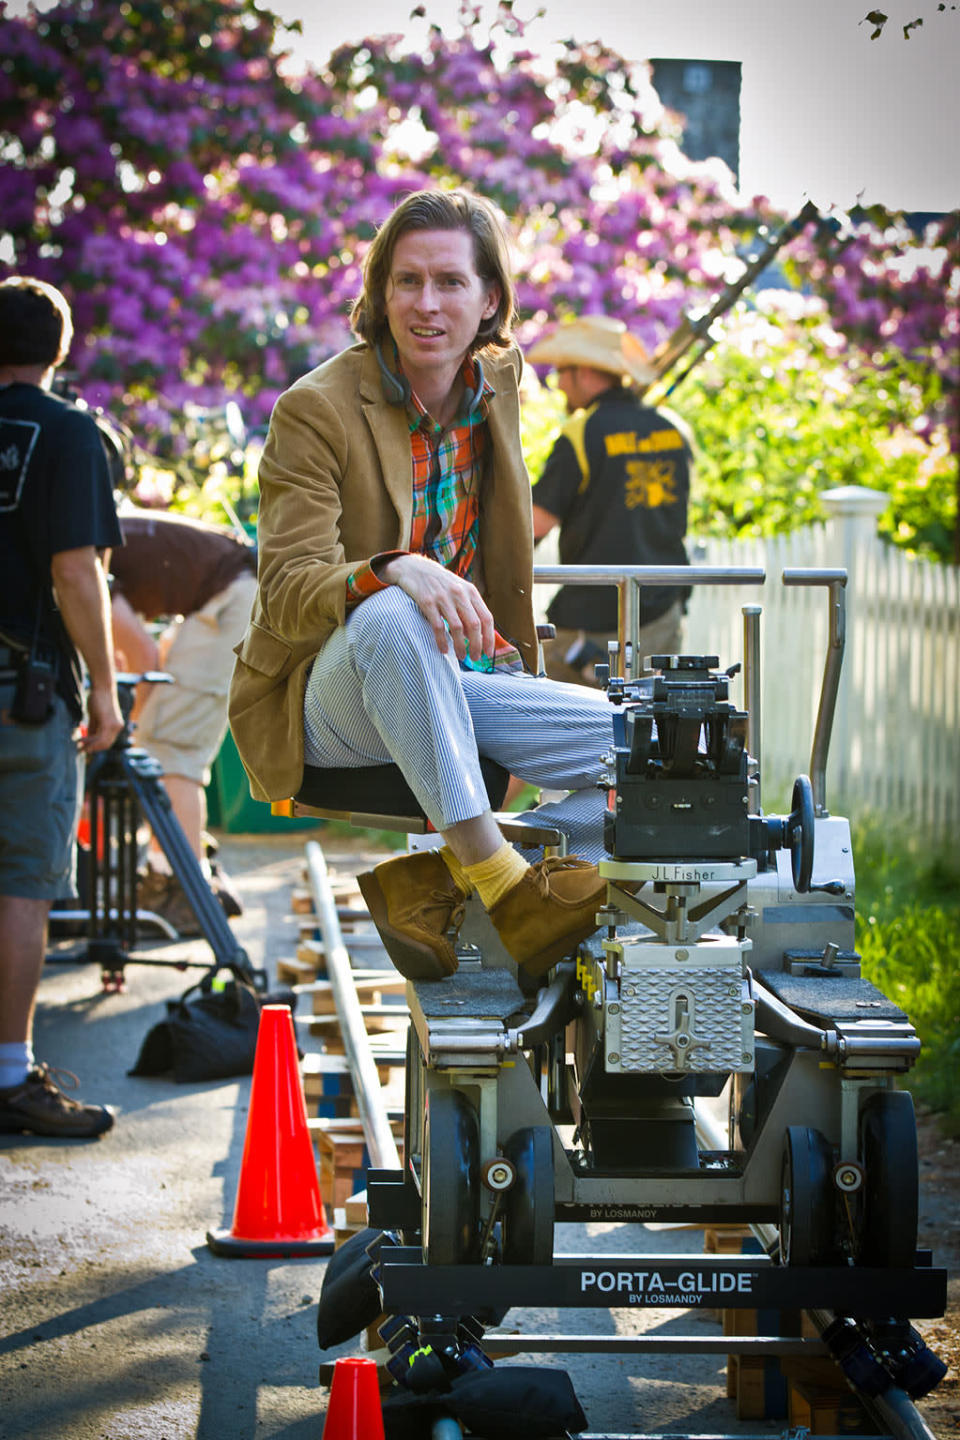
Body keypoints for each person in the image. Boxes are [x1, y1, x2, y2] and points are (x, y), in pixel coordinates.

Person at [229, 188, 616, 985]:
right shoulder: (315, 409)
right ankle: (506, 883)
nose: (425, 304)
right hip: (333, 693)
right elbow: (288, 588)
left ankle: (442, 880)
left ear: (490, 301)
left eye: (448, 283)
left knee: (658, 752)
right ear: (379, 294)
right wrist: (396, 565)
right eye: (406, 282)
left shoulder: (498, 378)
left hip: (457, 678)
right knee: (395, 610)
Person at [0, 276, 123, 1138]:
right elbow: (76, 572)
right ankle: (10, 1074)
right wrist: (108, 688)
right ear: (61, 347)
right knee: (21, 885)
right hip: (24, 696)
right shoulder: (71, 435)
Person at [109, 507, 258, 932]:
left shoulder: (73, 552)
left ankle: (184, 890)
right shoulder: (100, 526)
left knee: (170, 750)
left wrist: (131, 729)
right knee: (170, 749)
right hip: (224, 596)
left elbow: (140, 657)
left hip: (230, 599)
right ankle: (184, 873)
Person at [526, 314, 694, 685]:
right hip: (662, 612)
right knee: (651, 728)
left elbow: (535, 524)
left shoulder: (581, 433)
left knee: (568, 726)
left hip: (593, 621)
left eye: (561, 372)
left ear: (585, 372)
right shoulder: (673, 430)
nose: (558, 384)